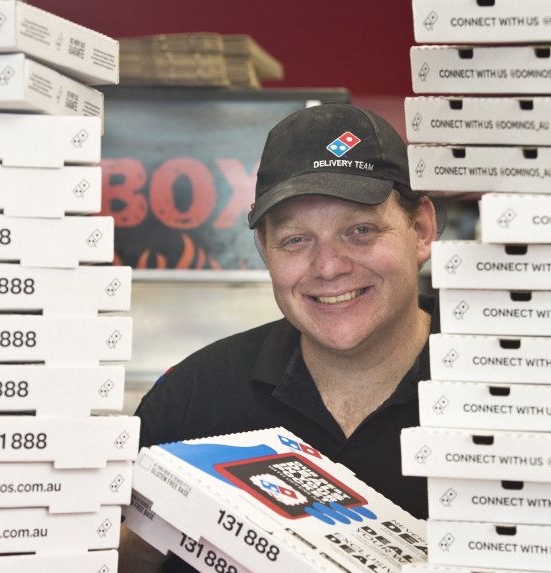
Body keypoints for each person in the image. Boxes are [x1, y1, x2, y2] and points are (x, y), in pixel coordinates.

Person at [119, 103, 440, 573]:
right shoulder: (191, 396)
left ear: (422, 231)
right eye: (296, 240)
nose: (329, 266)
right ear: (264, 250)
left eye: (361, 230)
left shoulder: (511, 390)